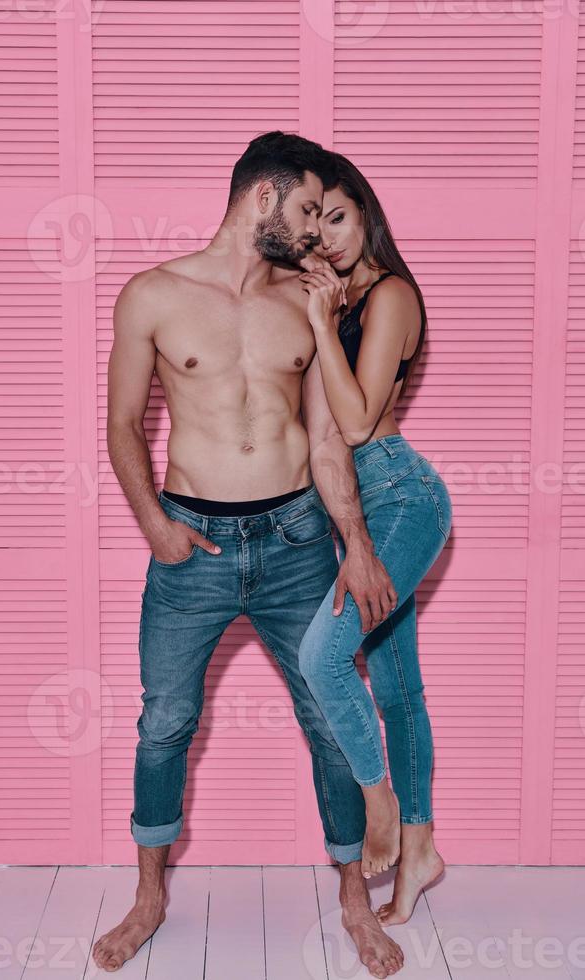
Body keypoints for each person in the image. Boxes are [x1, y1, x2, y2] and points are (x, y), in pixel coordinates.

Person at [96, 132, 404, 979]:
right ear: (262, 199)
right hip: (191, 544)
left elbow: (331, 442)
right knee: (164, 722)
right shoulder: (152, 294)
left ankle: (352, 897)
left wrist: (359, 547)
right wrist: (155, 524)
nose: (316, 231)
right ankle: (150, 895)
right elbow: (123, 423)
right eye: (306, 209)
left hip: (298, 541)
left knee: (331, 720)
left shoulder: (306, 303)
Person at [296, 152, 453, 927]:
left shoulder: (389, 293)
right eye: (313, 220)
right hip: (350, 506)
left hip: (400, 495)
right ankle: (421, 853)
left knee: (322, 657)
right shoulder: (332, 297)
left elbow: (356, 422)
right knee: (394, 686)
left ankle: (381, 805)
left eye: (339, 216)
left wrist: (322, 324)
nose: (326, 234)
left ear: (367, 216)